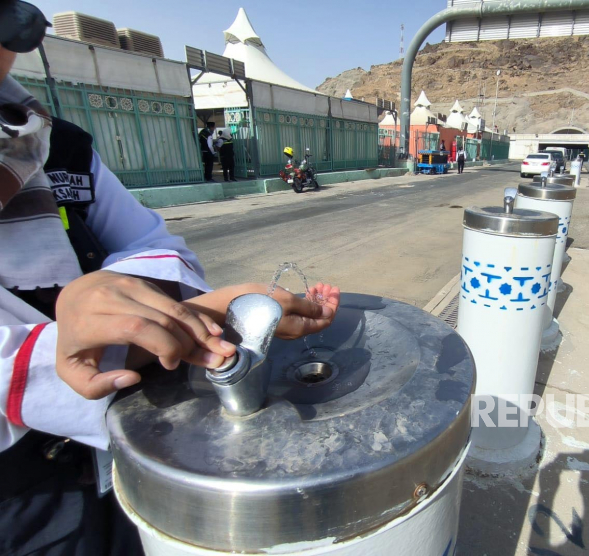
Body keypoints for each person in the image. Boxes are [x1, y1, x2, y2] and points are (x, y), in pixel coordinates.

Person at [0, 3, 341, 553]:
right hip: (20, 502)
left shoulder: (54, 143)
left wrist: (186, 306)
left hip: (122, 453)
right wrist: (83, 339)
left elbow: (153, 243)